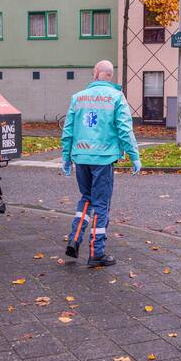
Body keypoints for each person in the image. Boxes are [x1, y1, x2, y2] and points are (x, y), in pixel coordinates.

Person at [61, 60, 141, 267]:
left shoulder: (77, 98)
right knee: (101, 204)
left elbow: (68, 130)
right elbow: (124, 130)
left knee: (86, 198)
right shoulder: (116, 98)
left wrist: (66, 157)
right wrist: (134, 156)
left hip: (81, 157)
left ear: (96, 73)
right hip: (103, 159)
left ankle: (74, 238)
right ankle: (97, 252)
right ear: (110, 76)